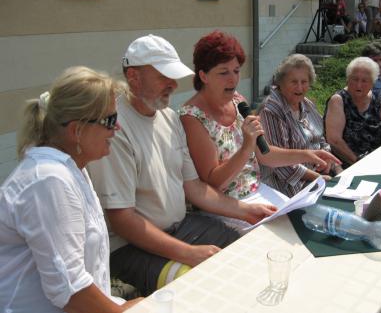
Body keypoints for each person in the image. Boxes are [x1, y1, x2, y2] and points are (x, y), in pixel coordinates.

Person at [87, 34, 277, 296]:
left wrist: (247, 211)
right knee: (198, 286)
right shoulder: (115, 128)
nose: (173, 85)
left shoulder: (168, 117)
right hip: (129, 247)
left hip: (180, 227)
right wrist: (188, 253)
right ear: (133, 76)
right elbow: (122, 220)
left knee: (245, 252)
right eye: (163, 77)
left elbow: (195, 187)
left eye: (174, 77)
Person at [0, 66, 143, 312]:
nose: (117, 128)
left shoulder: (71, 167)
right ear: (76, 130)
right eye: (110, 120)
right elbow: (70, 289)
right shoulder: (48, 180)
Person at [179, 31, 340, 200]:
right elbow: (214, 183)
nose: (233, 80)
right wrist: (247, 147)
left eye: (236, 71)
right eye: (223, 72)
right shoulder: (192, 117)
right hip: (225, 205)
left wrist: (306, 154)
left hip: (259, 191)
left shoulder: (237, 100)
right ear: (203, 75)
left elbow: (265, 154)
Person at [258, 54, 343, 197]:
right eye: (293, 82)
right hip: (289, 188)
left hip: (319, 175)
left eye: (304, 81)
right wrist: (317, 178)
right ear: (281, 83)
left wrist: (328, 159)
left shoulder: (306, 104)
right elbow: (281, 165)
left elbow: (320, 138)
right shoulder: (271, 110)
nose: (300, 87)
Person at [324, 57, 381, 167]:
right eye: (355, 79)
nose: (359, 85)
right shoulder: (338, 101)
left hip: (377, 159)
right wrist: (359, 162)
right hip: (348, 163)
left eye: (364, 81)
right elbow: (334, 141)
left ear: (372, 83)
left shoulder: (377, 99)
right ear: (348, 79)